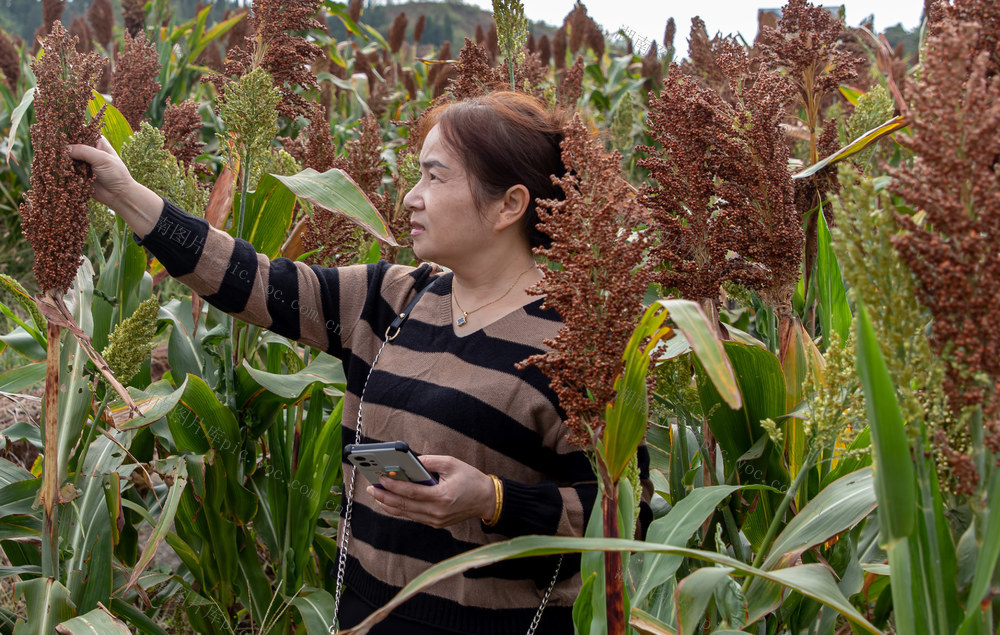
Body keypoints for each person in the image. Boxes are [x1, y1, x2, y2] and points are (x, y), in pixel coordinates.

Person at [70, 91, 651, 634]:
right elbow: (247, 279)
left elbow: (627, 521)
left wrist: (493, 499)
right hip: (365, 617)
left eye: (434, 176)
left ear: (509, 205)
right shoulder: (392, 298)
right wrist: (124, 192)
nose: (411, 196)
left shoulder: (581, 343)